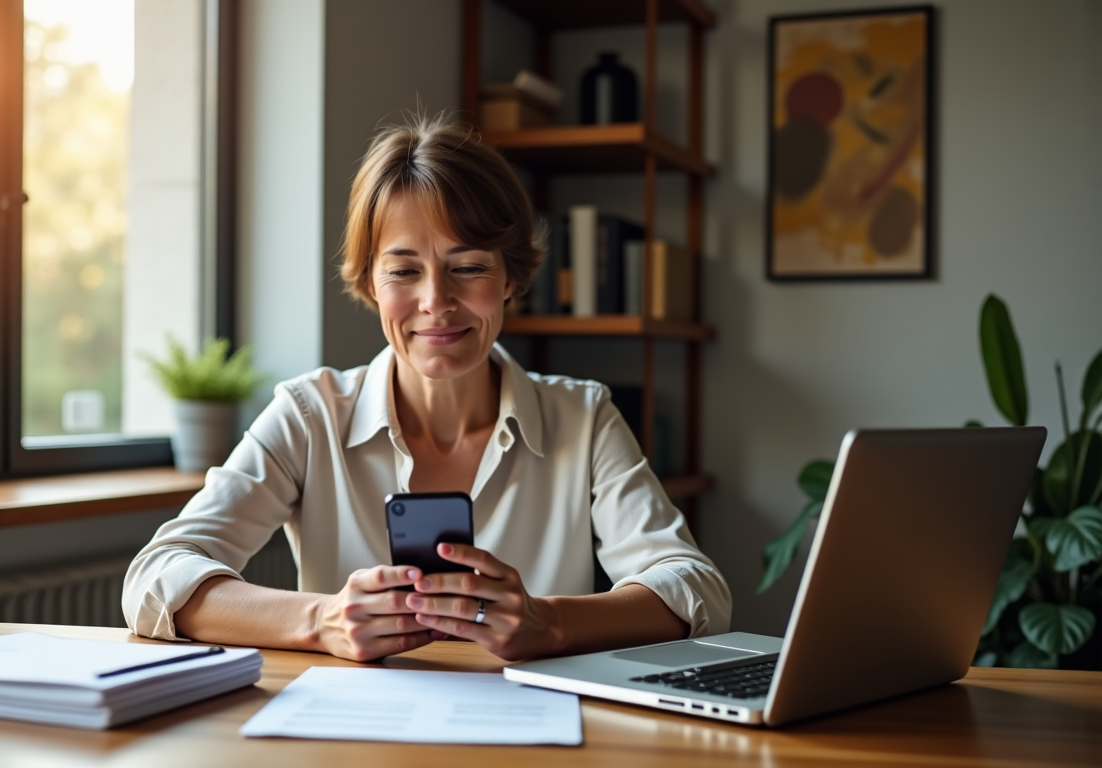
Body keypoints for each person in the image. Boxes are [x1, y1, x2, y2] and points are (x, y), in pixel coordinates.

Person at [123, 114, 730, 662]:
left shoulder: (584, 415)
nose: (436, 302)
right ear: (369, 283)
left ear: (511, 277)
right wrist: (320, 620)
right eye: (404, 271)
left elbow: (694, 588)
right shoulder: (309, 415)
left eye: (468, 268)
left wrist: (551, 623)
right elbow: (157, 576)